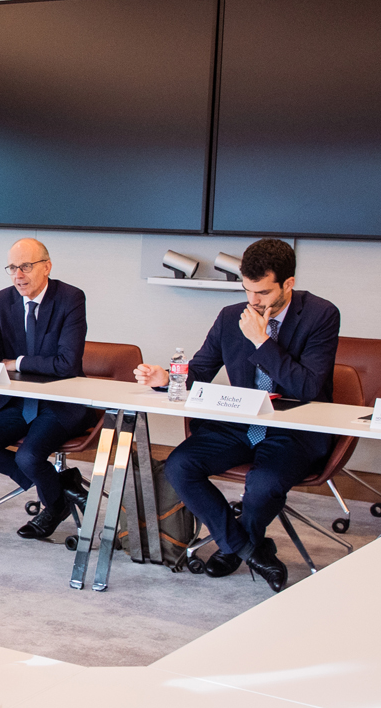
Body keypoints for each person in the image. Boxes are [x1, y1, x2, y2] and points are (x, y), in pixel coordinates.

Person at [133, 238, 339, 592]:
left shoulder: (321, 315)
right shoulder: (231, 316)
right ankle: (247, 549)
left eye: (262, 292)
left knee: (264, 484)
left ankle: (234, 546)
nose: (253, 301)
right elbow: (201, 369)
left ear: (288, 283)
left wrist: (262, 342)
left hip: (292, 429)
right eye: (247, 290)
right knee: (179, 465)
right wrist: (167, 378)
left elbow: (307, 387)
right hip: (240, 422)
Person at [0, 237, 98, 542]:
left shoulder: (70, 298)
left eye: (25, 266)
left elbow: (66, 364)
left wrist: (18, 362)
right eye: (12, 268)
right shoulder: (3, 299)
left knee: (28, 457)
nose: (18, 275)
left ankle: (52, 506)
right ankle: (60, 491)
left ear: (46, 267)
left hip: (61, 403)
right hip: (20, 402)